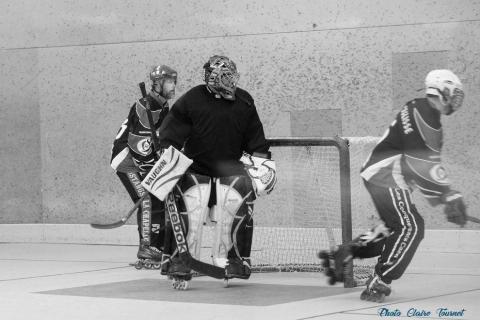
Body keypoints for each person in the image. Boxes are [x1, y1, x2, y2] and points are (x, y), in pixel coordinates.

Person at [319, 69, 467, 302]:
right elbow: (422, 163)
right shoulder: (423, 112)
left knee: (393, 228)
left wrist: (447, 197)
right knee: (411, 227)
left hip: (383, 174)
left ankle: (346, 252)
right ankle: (380, 279)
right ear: (442, 88)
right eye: (455, 92)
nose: (457, 99)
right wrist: (448, 196)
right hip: (387, 174)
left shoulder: (423, 112)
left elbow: (426, 166)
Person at [157, 55, 275, 288]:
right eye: (227, 76)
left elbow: (256, 142)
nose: (232, 80)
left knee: (238, 197)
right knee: (189, 206)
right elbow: (170, 136)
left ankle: (232, 261)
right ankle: (179, 260)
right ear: (214, 77)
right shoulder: (193, 99)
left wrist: (263, 167)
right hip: (196, 169)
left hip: (230, 170)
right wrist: (165, 163)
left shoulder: (244, 101)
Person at [110, 65, 178, 269]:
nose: (173, 85)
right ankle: (147, 247)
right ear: (157, 84)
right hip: (127, 161)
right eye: (169, 82)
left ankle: (155, 247)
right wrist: (150, 170)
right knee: (147, 198)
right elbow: (137, 145)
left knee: (158, 198)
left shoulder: (162, 105)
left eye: (174, 81)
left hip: (141, 159)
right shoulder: (145, 106)